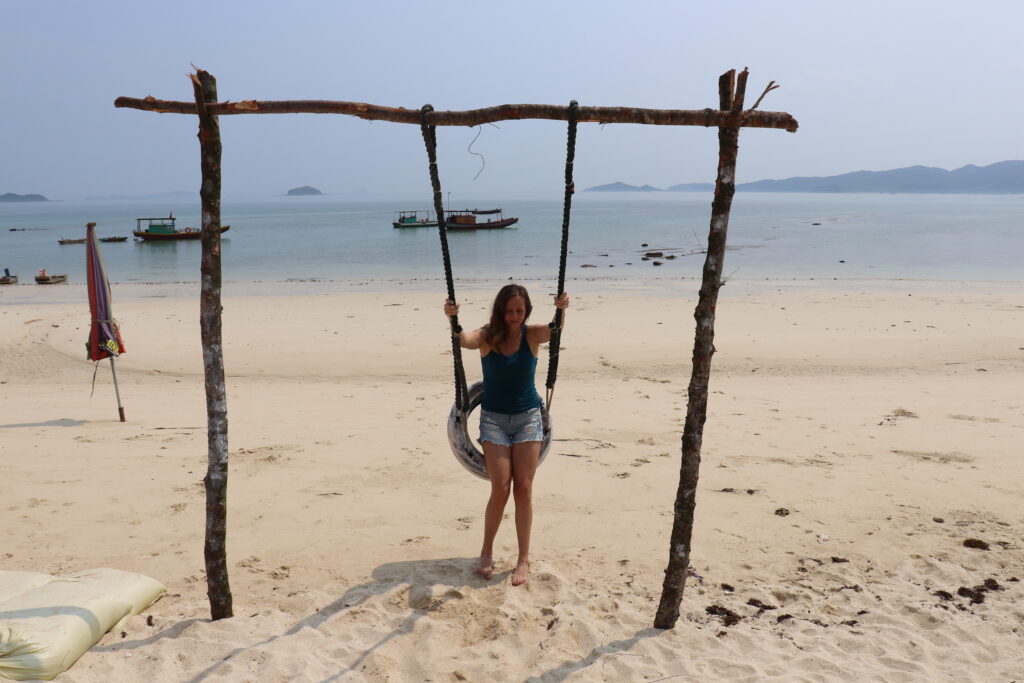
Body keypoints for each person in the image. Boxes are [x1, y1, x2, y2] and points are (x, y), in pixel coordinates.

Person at [444, 284, 569, 586]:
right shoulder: (489, 335)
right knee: (500, 488)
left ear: (526, 312)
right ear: (501, 310)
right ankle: (486, 551)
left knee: (523, 489)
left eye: (519, 311)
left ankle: (523, 558)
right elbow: (464, 340)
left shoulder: (531, 334)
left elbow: (555, 329)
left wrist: (562, 309)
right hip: (494, 421)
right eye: (509, 310)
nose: (514, 316)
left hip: (528, 419)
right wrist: (453, 319)